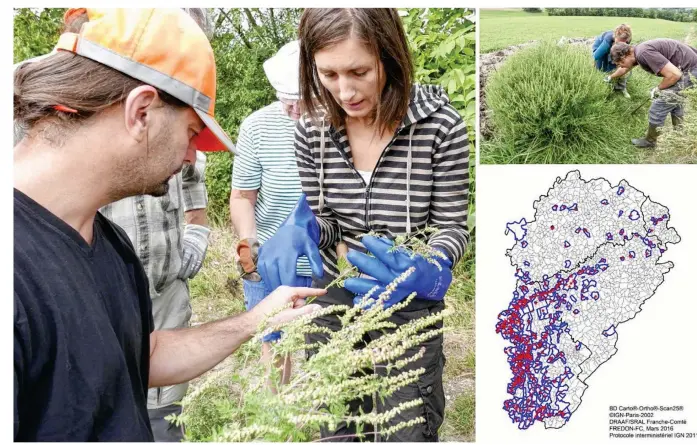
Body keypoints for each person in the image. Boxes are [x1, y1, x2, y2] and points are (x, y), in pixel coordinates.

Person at [13, 8, 323, 441]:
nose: (192, 157)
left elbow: (143, 353)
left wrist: (254, 320)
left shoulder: (109, 244)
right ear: (141, 111)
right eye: (193, 134)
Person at [257, 8, 470, 441]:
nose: (345, 91)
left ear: (389, 59)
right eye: (329, 74)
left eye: (359, 71)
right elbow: (327, 220)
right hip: (334, 296)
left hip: (408, 299)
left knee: (407, 424)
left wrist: (430, 267)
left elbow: (451, 226)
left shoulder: (441, 127)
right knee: (335, 422)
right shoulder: (312, 129)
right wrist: (308, 230)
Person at [230, 40, 317, 390]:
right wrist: (249, 246)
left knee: (323, 341)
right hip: (267, 260)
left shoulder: (343, 122)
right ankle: (278, 416)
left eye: (303, 98)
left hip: (320, 257)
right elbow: (242, 197)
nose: (294, 107)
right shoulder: (257, 127)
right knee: (275, 339)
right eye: (286, 98)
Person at [611, 38, 697, 148]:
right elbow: (674, 73)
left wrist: (658, 89)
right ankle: (679, 134)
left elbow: (674, 75)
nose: (622, 67)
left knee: (658, 106)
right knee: (675, 101)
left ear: (626, 55)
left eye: (621, 63)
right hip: (690, 69)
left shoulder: (643, 53)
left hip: (691, 71)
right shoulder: (640, 50)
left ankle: (650, 141)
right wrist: (610, 77)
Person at [592, 24, 632, 98]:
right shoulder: (607, 41)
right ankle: (603, 86)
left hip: (614, 48)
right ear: (615, 36)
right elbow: (595, 57)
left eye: (623, 42)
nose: (620, 44)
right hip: (600, 48)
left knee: (621, 66)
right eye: (618, 42)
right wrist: (593, 69)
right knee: (602, 68)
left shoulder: (627, 40)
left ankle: (622, 87)